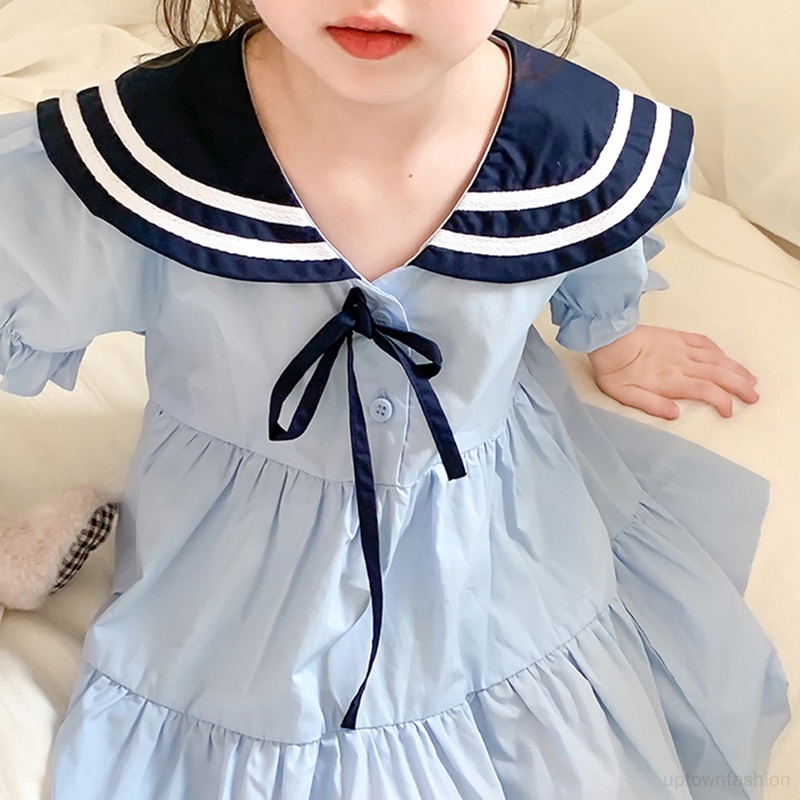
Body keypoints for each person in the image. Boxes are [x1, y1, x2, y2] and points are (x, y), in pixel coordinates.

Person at [0, 0, 790, 797]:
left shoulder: (569, 137)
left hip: (488, 527)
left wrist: (616, 337)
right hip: (236, 554)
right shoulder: (149, 147)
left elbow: (589, 238)